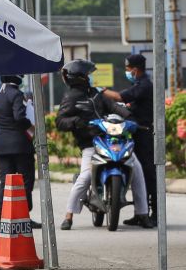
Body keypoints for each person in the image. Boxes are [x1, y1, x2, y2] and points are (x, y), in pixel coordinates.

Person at [55, 59, 151, 230]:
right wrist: (77, 121)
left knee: (136, 168)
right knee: (85, 177)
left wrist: (129, 118)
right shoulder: (70, 98)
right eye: (88, 75)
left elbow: (114, 107)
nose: (90, 78)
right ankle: (68, 215)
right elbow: (60, 121)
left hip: (112, 140)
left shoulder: (96, 94)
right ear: (80, 77)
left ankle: (142, 213)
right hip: (90, 144)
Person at [103, 53, 157, 227]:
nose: (126, 72)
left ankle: (154, 213)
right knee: (135, 173)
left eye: (127, 69)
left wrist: (101, 91)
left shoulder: (144, 85)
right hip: (135, 134)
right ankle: (139, 213)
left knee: (148, 174)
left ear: (134, 70)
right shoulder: (139, 84)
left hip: (144, 135)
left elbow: (119, 97)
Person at [0, 75, 40, 231]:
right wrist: (30, 124)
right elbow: (19, 118)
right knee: (25, 181)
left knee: (4, 182)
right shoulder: (17, 94)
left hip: (2, 145)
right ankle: (24, 217)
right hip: (20, 146)